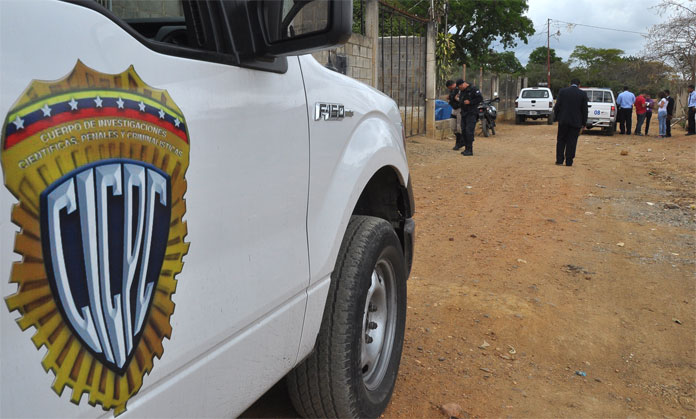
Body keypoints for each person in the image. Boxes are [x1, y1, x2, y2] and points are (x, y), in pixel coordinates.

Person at [553, 78, 588, 166]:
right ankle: (569, 161)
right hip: (576, 122)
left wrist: (557, 118)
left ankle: (559, 160)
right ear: (579, 85)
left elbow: (557, 106)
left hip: (563, 120)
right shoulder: (582, 94)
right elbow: (584, 110)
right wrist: (584, 123)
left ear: (570, 84)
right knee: (572, 141)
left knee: (561, 140)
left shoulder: (562, 91)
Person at [457, 79, 483, 156]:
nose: (459, 89)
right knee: (464, 130)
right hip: (464, 113)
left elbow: (480, 99)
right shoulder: (462, 91)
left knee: (469, 131)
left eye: (460, 87)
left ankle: (470, 150)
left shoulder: (473, 89)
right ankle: (466, 149)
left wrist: (470, 102)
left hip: (471, 113)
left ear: (463, 84)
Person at [446, 80, 464, 149]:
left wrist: (457, 99)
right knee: (453, 127)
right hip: (454, 109)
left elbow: (462, 100)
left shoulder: (460, 90)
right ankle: (460, 142)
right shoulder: (452, 91)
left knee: (459, 128)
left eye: (449, 87)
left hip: (460, 109)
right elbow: (451, 99)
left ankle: (458, 143)